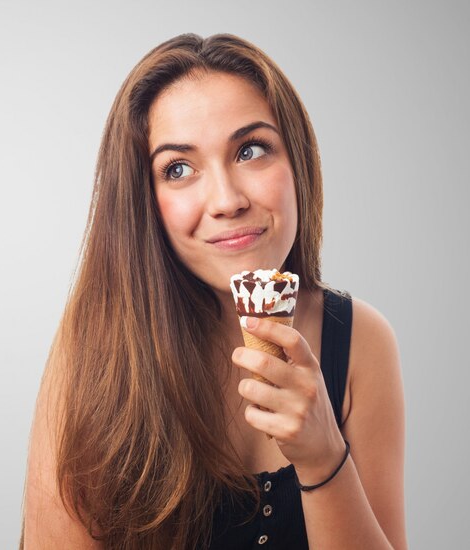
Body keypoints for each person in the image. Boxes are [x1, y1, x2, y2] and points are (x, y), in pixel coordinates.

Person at [20, 33, 407, 550]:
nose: (226, 200)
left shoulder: (362, 341)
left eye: (251, 150)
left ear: (297, 162)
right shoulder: (94, 350)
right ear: (144, 201)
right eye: (178, 169)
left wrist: (321, 456)